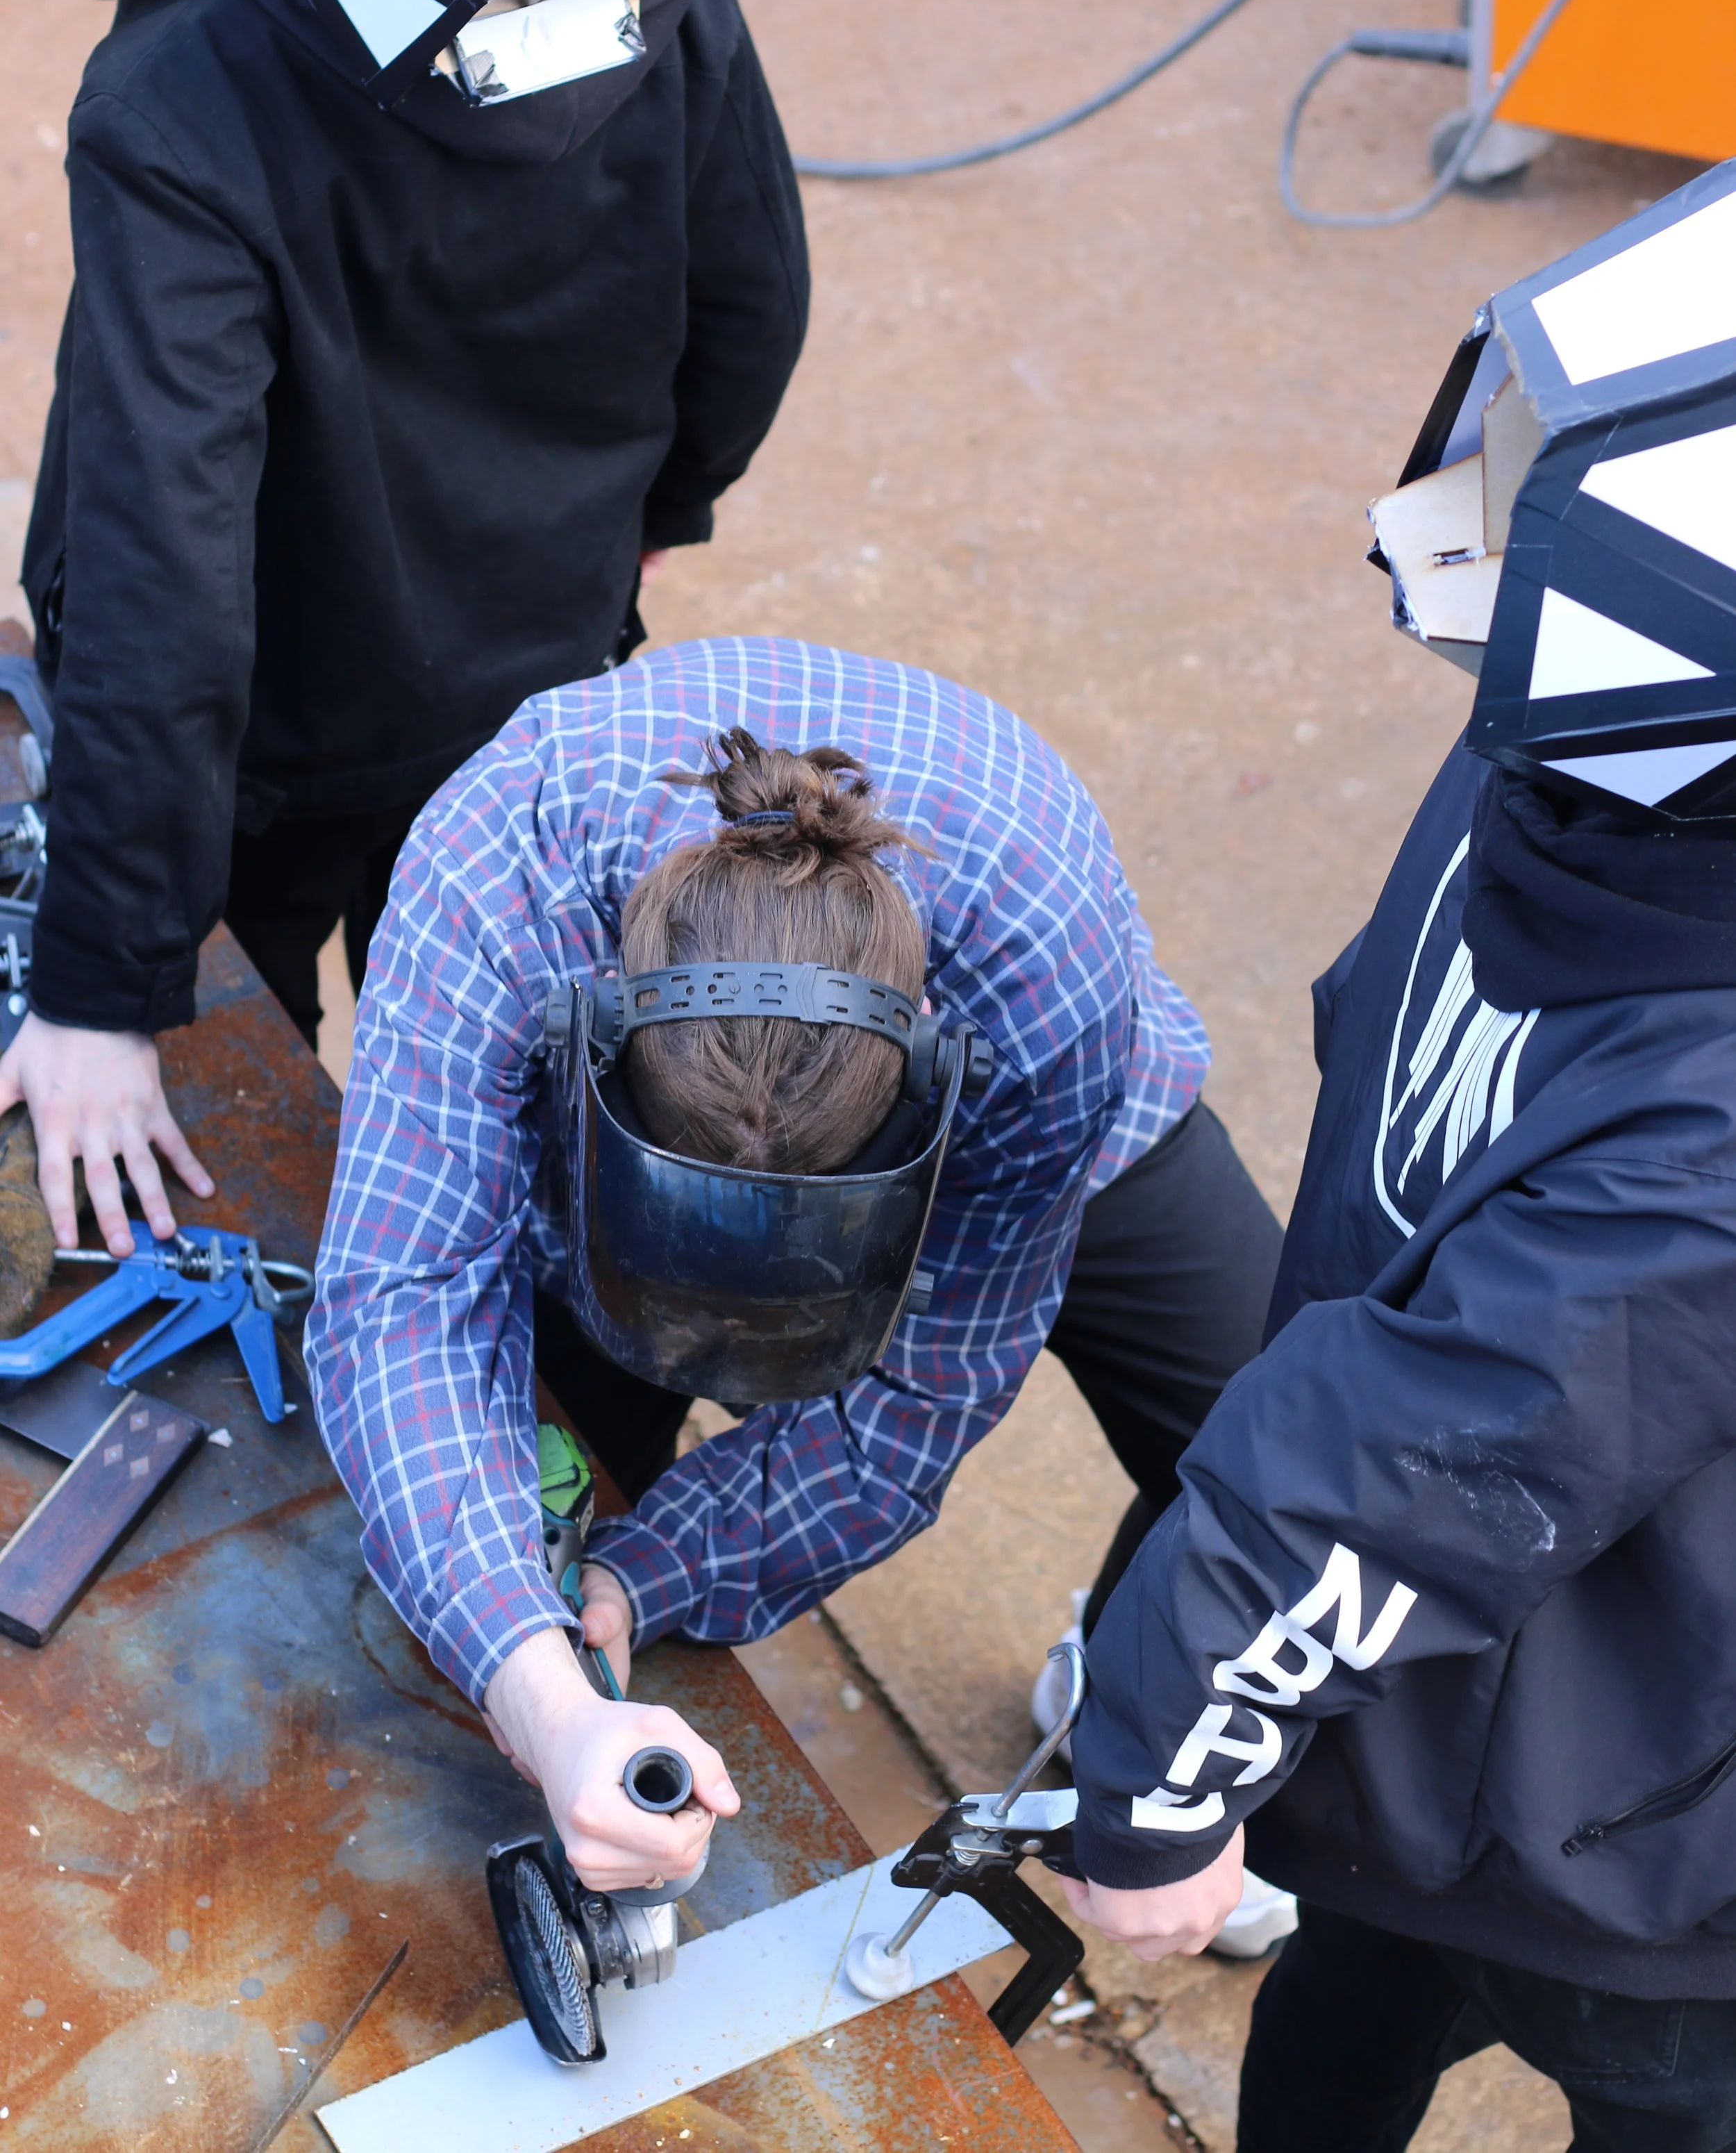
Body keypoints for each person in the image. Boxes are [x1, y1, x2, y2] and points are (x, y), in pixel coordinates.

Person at [5, 0, 807, 1267]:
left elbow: (162, 558)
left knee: (262, 1128)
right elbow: (753, 312)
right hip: (535, 695)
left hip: (270, 752)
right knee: (490, 1105)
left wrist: (102, 990)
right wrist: (647, 520)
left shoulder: (182, 90)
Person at [1060, 156, 1736, 2151]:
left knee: (1361, 2013)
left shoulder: (1564, 753)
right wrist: (1164, 1778)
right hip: (1617, 1826)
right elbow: (1393, 1459)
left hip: (1454, 1758)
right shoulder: (1617, 795)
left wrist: (1183, 1761)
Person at [306, 635, 1281, 1905]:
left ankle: (1119, 1701)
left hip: (1059, 1114)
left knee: (1261, 1447)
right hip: (587, 1163)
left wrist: (663, 1564)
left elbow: (930, 1383)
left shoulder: (1042, 968)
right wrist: (549, 1676)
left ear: (925, 1069)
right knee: (557, 1504)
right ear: (600, 1030)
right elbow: (404, 1294)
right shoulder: (504, 868)